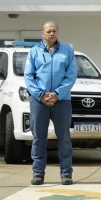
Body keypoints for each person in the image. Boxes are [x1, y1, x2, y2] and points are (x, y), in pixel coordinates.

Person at [24, 21, 77, 185]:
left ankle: (66, 174)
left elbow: (71, 75)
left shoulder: (67, 51)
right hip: (39, 102)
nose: (51, 34)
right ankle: (38, 173)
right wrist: (40, 95)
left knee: (64, 138)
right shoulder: (34, 52)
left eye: (54, 31)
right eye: (48, 31)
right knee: (39, 137)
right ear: (42, 33)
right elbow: (28, 76)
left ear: (58, 32)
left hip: (62, 101)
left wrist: (57, 94)